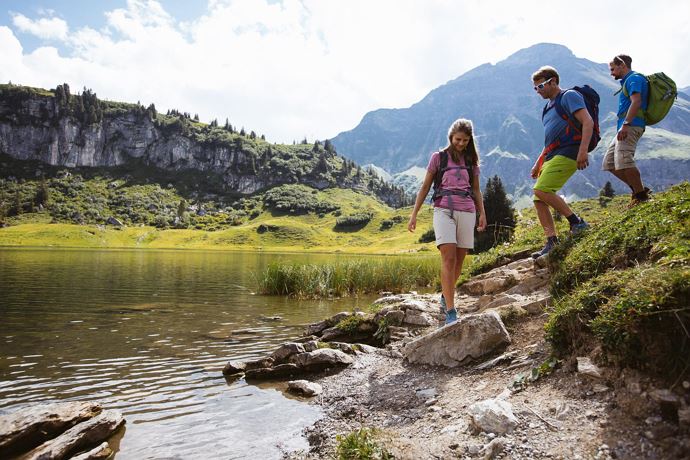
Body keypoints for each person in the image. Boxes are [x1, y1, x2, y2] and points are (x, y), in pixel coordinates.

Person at [408, 119, 487, 325]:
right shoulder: (438, 158)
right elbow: (425, 187)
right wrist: (414, 214)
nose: (461, 143)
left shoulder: (471, 161)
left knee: (459, 262)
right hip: (443, 209)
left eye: (465, 140)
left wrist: (482, 213)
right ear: (451, 137)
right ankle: (451, 311)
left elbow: (477, 189)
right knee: (449, 258)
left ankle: (446, 294)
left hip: (467, 210)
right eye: (458, 139)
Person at [530, 66, 592, 259]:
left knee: (541, 190)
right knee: (539, 199)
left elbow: (587, 121)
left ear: (553, 81)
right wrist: (539, 161)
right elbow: (550, 138)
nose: (538, 91)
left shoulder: (569, 96)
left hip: (569, 151)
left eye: (540, 86)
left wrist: (583, 150)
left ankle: (577, 222)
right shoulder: (547, 108)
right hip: (551, 155)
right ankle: (552, 241)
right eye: (535, 88)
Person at [605, 54, 650, 207]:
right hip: (623, 126)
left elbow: (636, 101)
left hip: (631, 125)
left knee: (625, 160)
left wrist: (626, 124)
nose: (611, 73)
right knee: (609, 163)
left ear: (622, 65)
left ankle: (641, 197)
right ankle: (640, 190)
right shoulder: (627, 81)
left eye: (613, 69)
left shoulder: (634, 79)